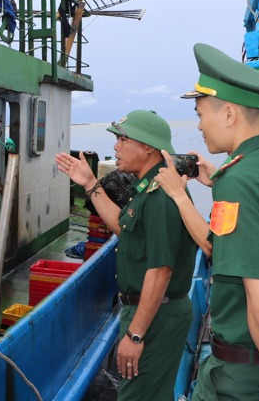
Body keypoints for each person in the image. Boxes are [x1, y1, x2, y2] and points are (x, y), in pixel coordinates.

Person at [155, 43, 259, 401]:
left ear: (229, 114)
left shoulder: (239, 183)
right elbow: (236, 248)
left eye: (201, 114)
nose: (198, 125)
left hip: (251, 378)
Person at [55, 110, 196, 400]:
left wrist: (135, 335)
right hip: (150, 310)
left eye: (122, 139)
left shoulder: (160, 195)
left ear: (147, 146)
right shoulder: (147, 187)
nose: (116, 147)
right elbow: (125, 226)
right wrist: (90, 183)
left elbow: (161, 270)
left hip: (155, 313)